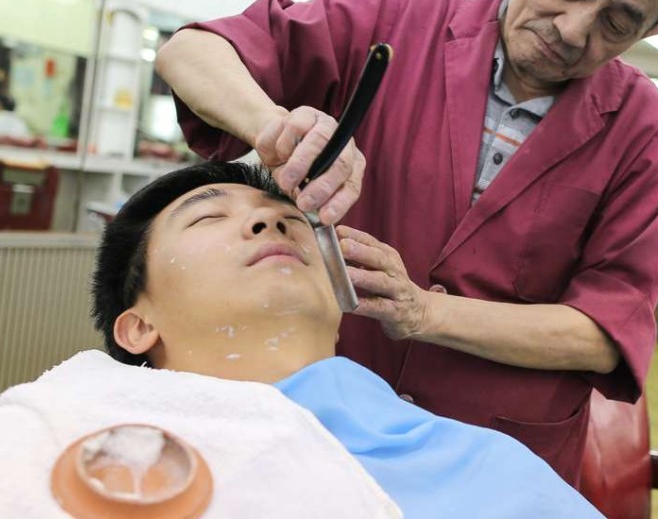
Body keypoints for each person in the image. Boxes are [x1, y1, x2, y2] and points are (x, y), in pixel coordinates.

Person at [156, 0, 658, 481]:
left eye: (618, 22)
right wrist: (275, 127)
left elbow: (602, 332)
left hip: (498, 463)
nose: (573, 29)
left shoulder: (644, 132)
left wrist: (425, 312)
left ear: (651, 33)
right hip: (321, 422)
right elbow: (190, 53)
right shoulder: (393, 19)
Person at [0, 161, 600, 518]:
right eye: (209, 218)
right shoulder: (64, 426)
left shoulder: (486, 463)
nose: (270, 220)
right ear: (138, 326)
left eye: (287, 215)